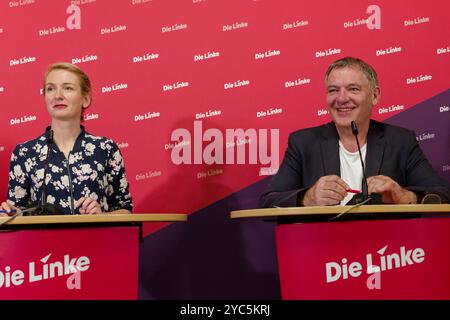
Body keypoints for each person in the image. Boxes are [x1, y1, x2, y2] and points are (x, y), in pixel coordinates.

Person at [260, 56, 450, 207]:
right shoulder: (303, 143)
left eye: (353, 89)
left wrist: (404, 196)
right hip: (322, 250)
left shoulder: (401, 141)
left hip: (387, 251)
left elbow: (443, 196)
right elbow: (268, 202)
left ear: (374, 96)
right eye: (333, 90)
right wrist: (307, 198)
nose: (341, 99)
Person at [1, 62, 133, 216]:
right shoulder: (24, 153)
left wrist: (102, 216)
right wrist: (11, 214)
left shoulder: (105, 148)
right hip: (43, 240)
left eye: (68, 88)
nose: (58, 96)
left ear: (85, 99)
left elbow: (125, 210)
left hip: (98, 238)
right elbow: (16, 213)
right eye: (50, 89)